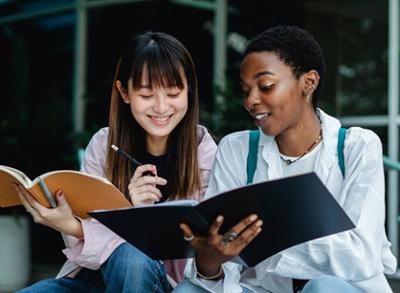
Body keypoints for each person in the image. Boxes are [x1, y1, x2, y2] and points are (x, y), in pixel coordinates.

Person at [173, 26, 397, 293]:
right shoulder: (238, 148)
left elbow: (361, 255)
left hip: (340, 289)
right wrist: (210, 263)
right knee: (188, 291)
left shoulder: (356, 147)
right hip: (264, 290)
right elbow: (226, 263)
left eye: (266, 86)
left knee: (322, 288)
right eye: (246, 89)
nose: (251, 100)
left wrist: (268, 238)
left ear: (309, 83)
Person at [15, 31, 217, 293]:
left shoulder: (207, 154)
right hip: (95, 279)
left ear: (189, 88)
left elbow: (204, 248)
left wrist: (133, 218)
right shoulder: (103, 145)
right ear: (124, 92)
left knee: (131, 258)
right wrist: (73, 225)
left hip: (165, 283)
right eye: (146, 95)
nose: (161, 107)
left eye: (173, 93)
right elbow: (86, 242)